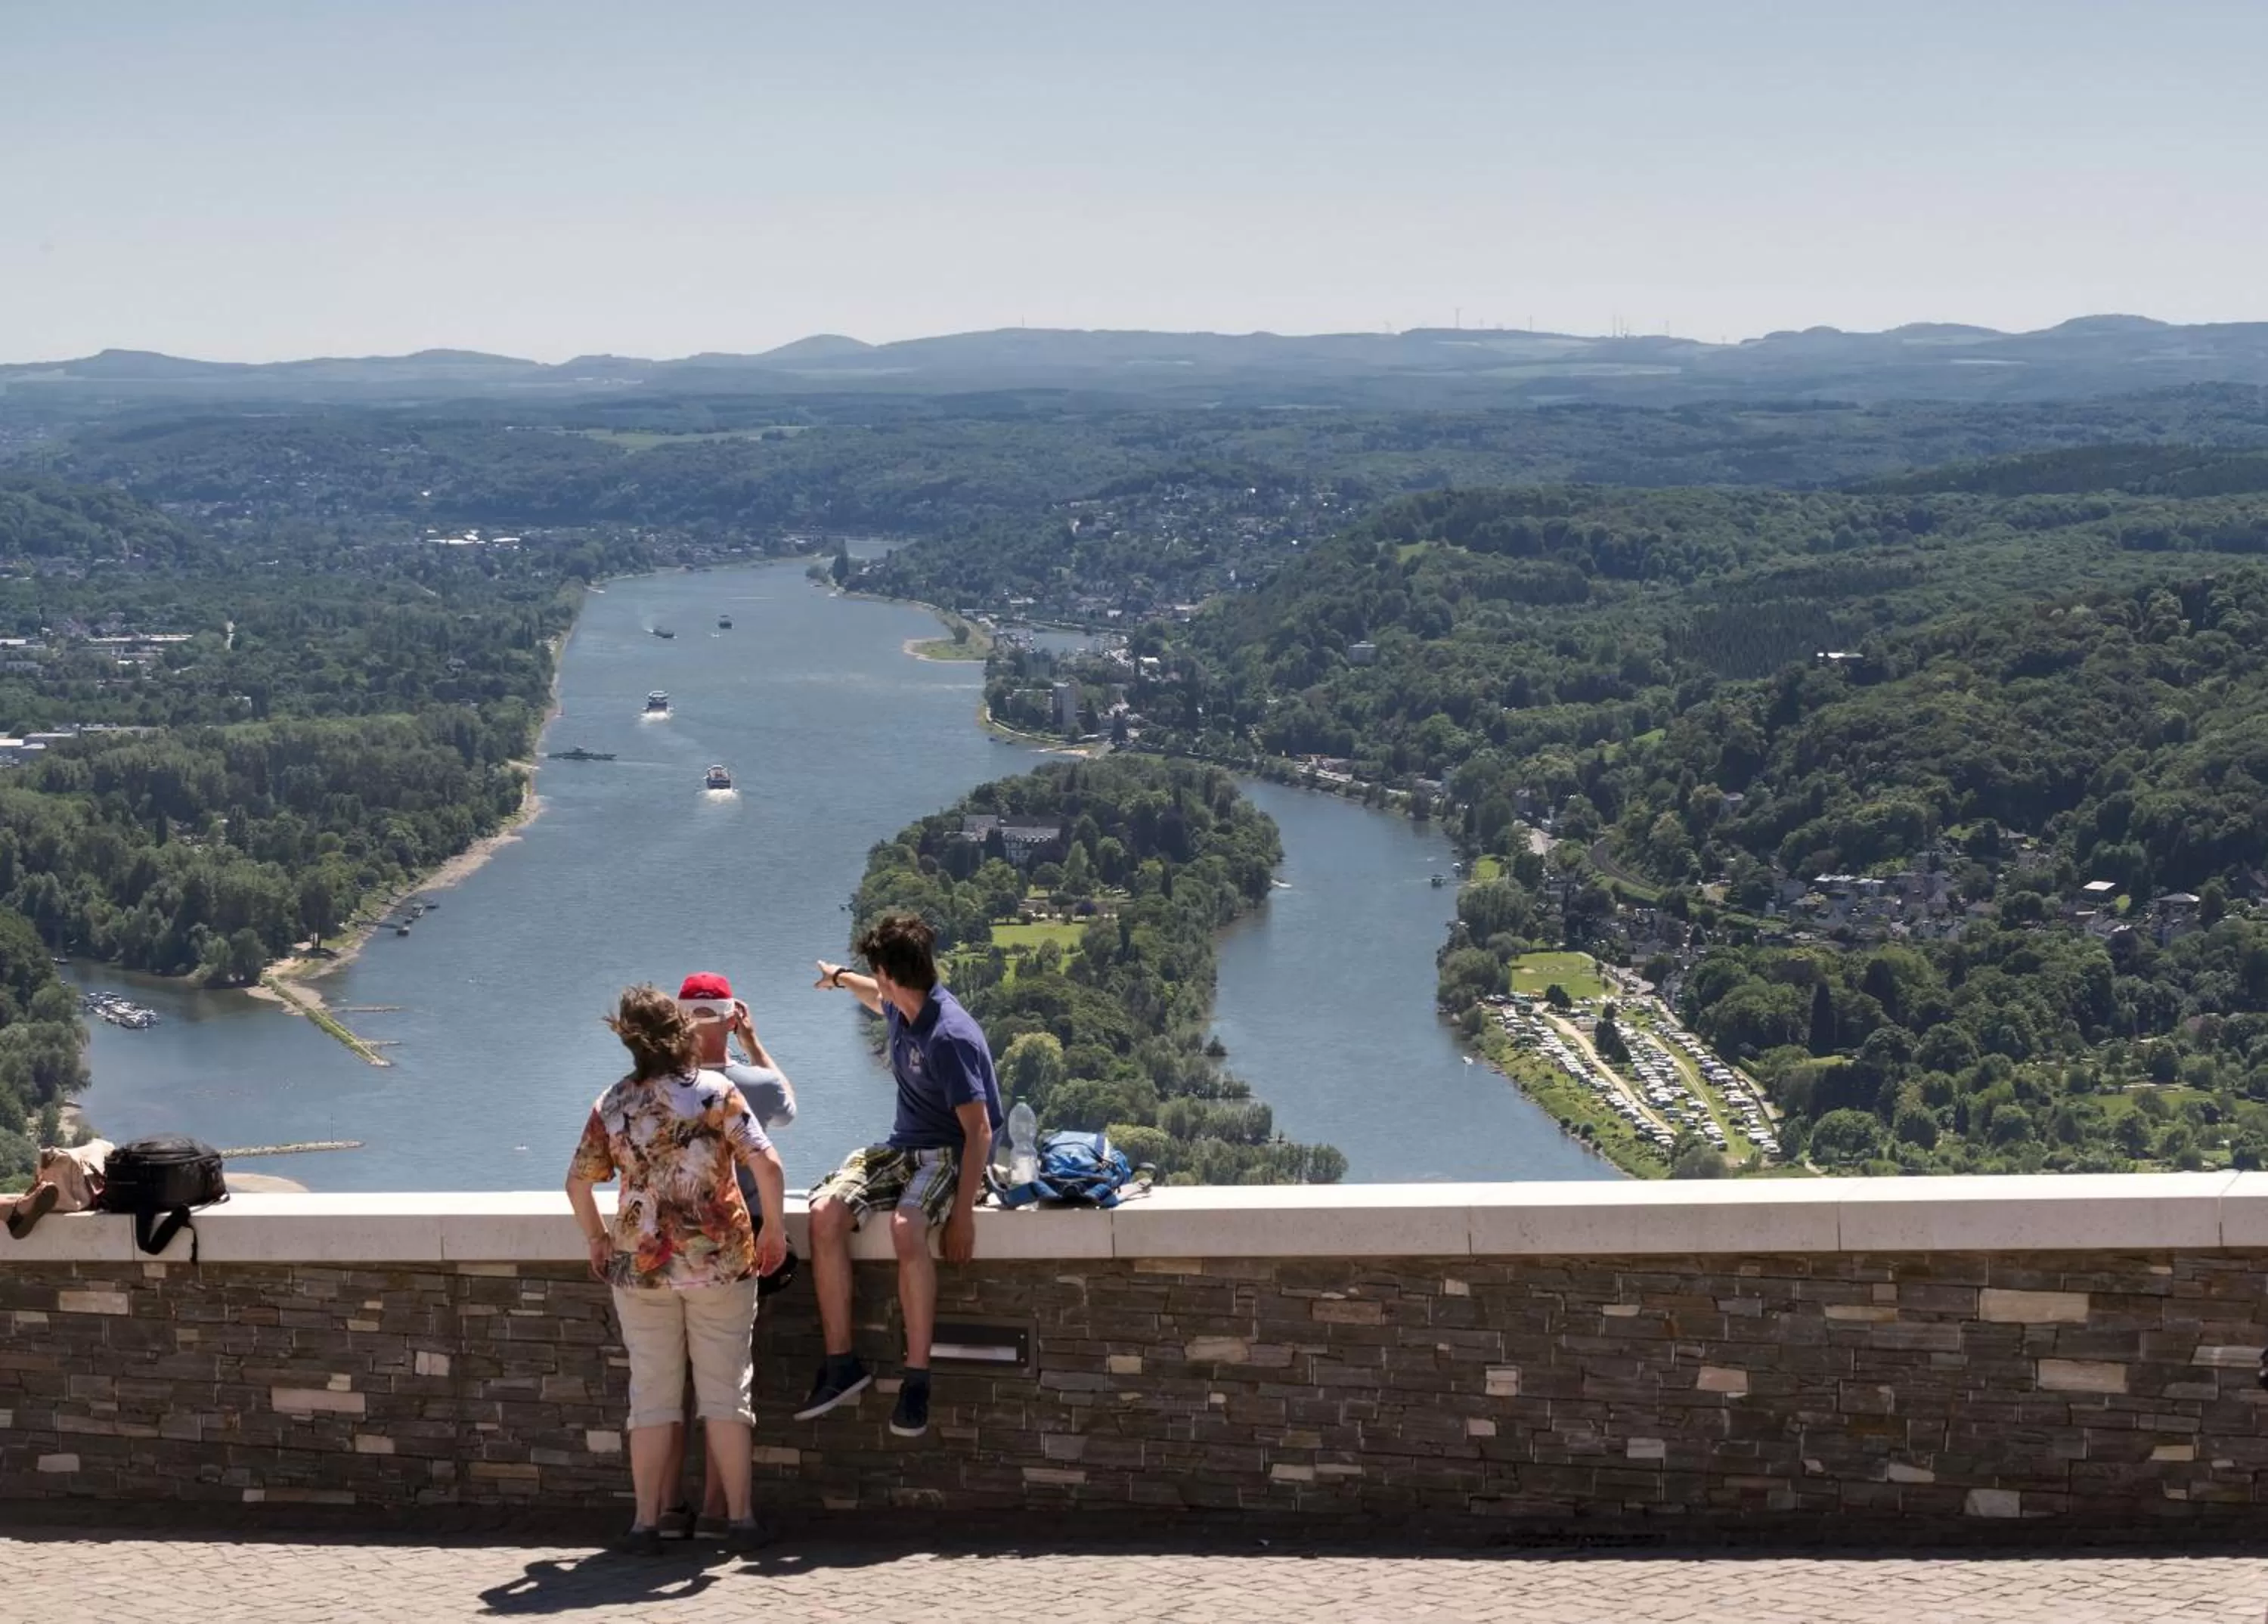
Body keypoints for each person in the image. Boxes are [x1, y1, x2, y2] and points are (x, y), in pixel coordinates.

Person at [565, 985, 787, 1556]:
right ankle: (738, 1520)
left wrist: (597, 1240)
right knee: (725, 1393)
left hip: (640, 1268)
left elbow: (578, 1183)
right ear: (680, 1033)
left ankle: (646, 1522)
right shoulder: (715, 1092)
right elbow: (767, 1161)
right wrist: (774, 1231)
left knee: (653, 1397)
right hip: (721, 1263)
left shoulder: (612, 1104)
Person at [801, 913, 1001, 1439]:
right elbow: (875, 997)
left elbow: (979, 1131)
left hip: (949, 1153)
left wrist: (962, 1217)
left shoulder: (947, 1035)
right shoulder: (903, 1006)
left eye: (877, 972)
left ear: (891, 972)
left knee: (907, 1228)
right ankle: (842, 1364)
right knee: (823, 1214)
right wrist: (841, 976)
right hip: (902, 1148)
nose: (879, 984)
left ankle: (917, 1380)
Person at [659, 972, 798, 1541]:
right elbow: (786, 1107)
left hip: (664, 1245)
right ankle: (720, 1509)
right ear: (729, 1016)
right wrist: (753, 1040)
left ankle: (665, 1509)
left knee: (663, 1386)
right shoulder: (754, 1085)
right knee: (723, 1381)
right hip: (734, 1244)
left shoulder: (655, 1086)